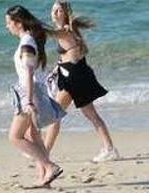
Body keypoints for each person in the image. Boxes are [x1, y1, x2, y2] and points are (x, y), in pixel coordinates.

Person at [42, 1, 119, 163]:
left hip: (74, 78)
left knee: (55, 115)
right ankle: (109, 148)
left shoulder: (63, 31)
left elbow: (45, 31)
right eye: (53, 10)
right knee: (90, 115)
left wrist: (27, 23)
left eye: (59, 11)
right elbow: (72, 55)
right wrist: (57, 68)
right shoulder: (70, 30)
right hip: (74, 74)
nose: (55, 13)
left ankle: (43, 153)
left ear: (65, 14)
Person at [5, 5, 65, 189]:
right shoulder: (29, 41)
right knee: (33, 134)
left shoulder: (27, 43)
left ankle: (49, 166)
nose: (7, 27)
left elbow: (29, 73)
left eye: (8, 23)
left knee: (15, 137)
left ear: (18, 23)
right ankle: (44, 176)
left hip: (28, 93)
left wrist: (29, 101)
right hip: (30, 91)